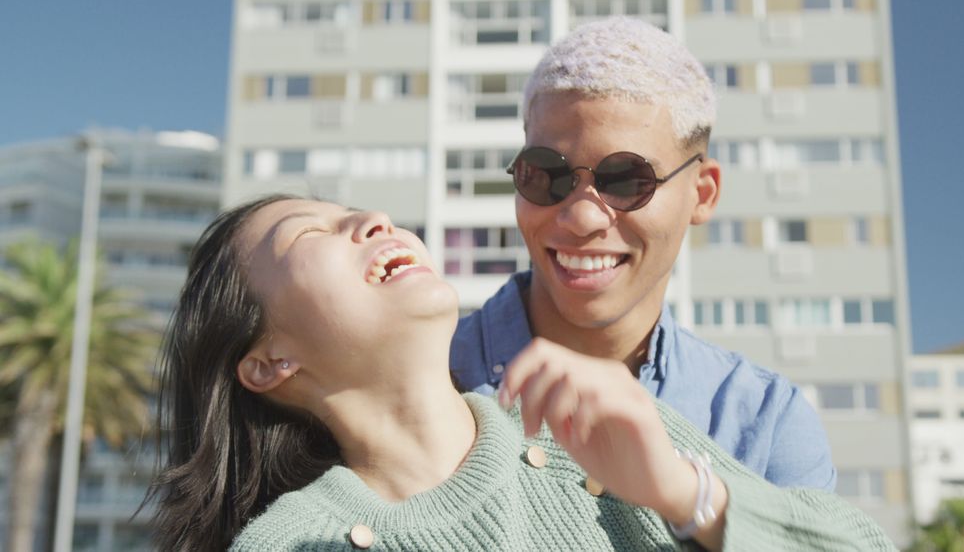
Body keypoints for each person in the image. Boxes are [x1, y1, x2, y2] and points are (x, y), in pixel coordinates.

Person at [148, 195, 895, 551]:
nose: (371, 219)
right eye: (311, 232)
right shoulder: (290, 546)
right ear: (268, 361)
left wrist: (682, 492)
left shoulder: (599, 437)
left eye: (358, 212)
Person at [450, 17, 835, 490]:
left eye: (626, 180)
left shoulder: (765, 423)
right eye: (546, 173)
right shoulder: (414, 373)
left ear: (703, 193)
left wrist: (691, 498)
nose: (582, 218)